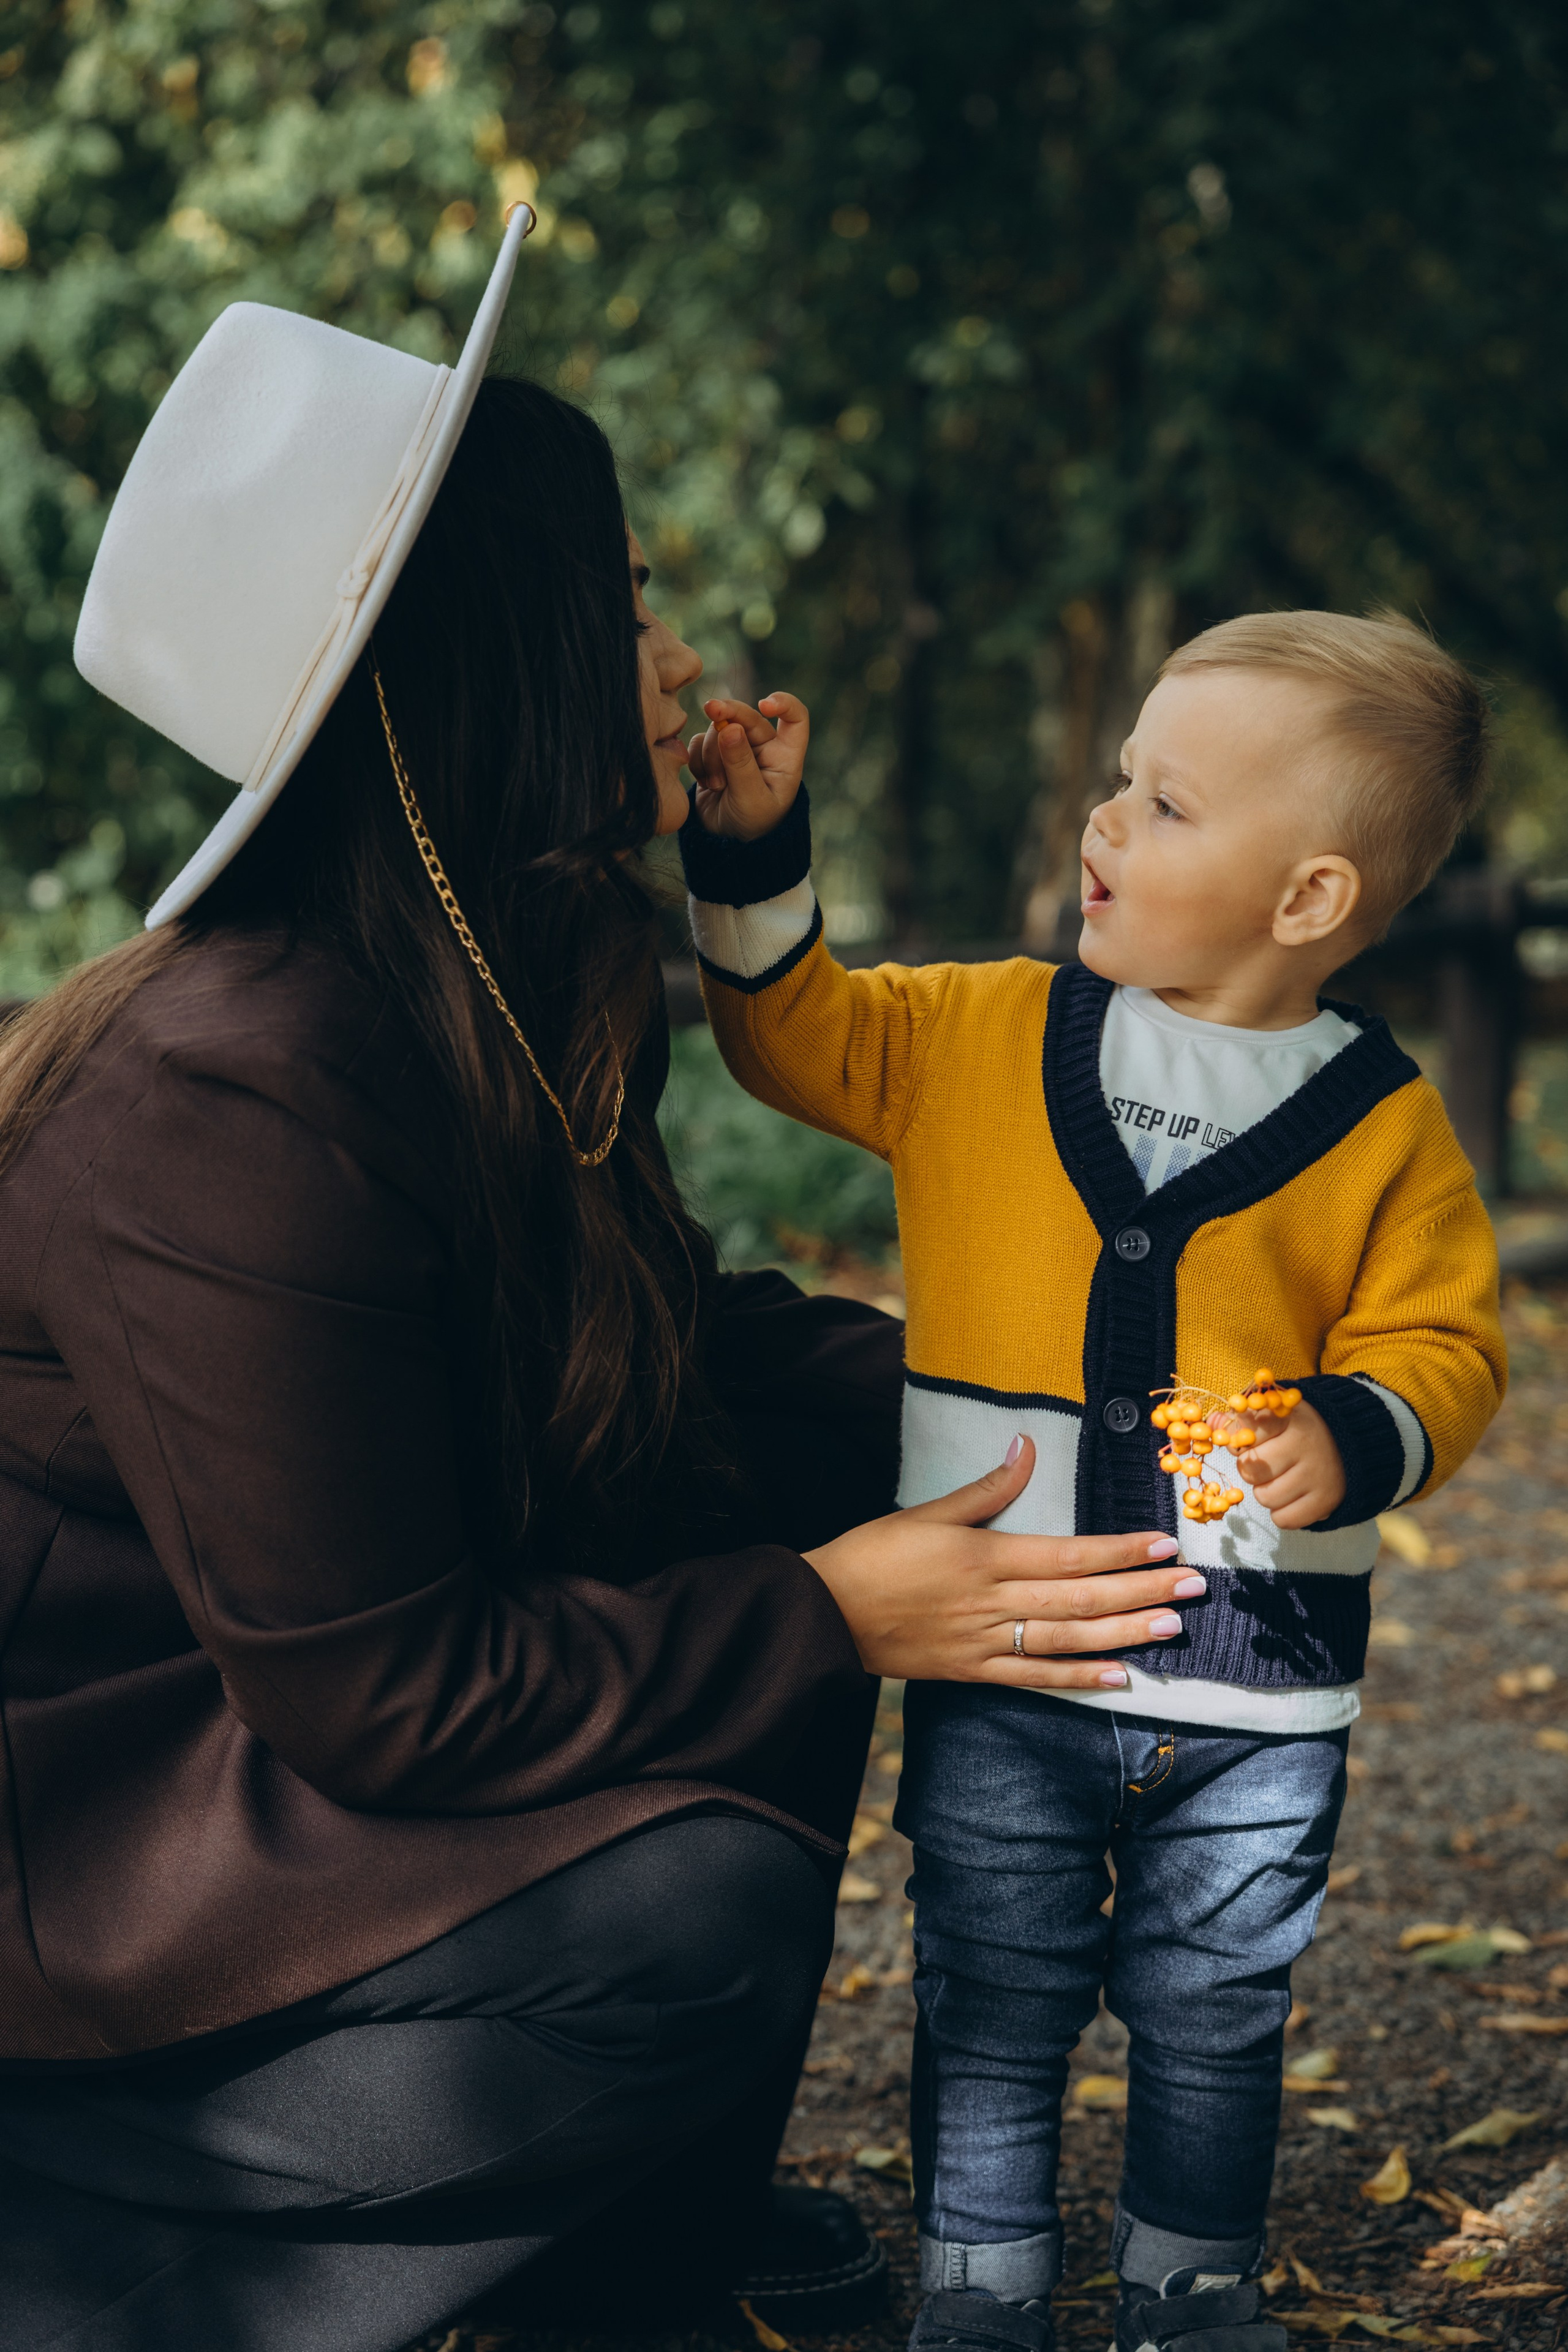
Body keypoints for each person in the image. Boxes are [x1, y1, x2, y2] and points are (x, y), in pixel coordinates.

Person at [0, 219, 1202, 2352]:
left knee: (758, 1538)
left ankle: (633, 2273)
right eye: (622, 601)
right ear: (483, 643)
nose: (673, 655)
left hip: (269, 1753)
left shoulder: (502, 973)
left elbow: (672, 1357)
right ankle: (117, 2271)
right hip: (90, 1849)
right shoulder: (218, 1091)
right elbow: (384, 1692)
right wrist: (844, 1607)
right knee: (694, 1893)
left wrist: (1057, 1393)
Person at [679, 609, 1507, 2352]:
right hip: (1012, 1651)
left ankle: (1186, 2281)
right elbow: (796, 1033)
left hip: (1258, 1684)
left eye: (1166, 804)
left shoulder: (1380, 1122)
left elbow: (1451, 1341)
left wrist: (1358, 1429)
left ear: (1310, 903)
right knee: (991, 1984)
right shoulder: (981, 1033)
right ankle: (983, 2279)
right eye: (1118, 781)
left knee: (1218, 2004)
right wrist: (753, 852)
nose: (1103, 822)